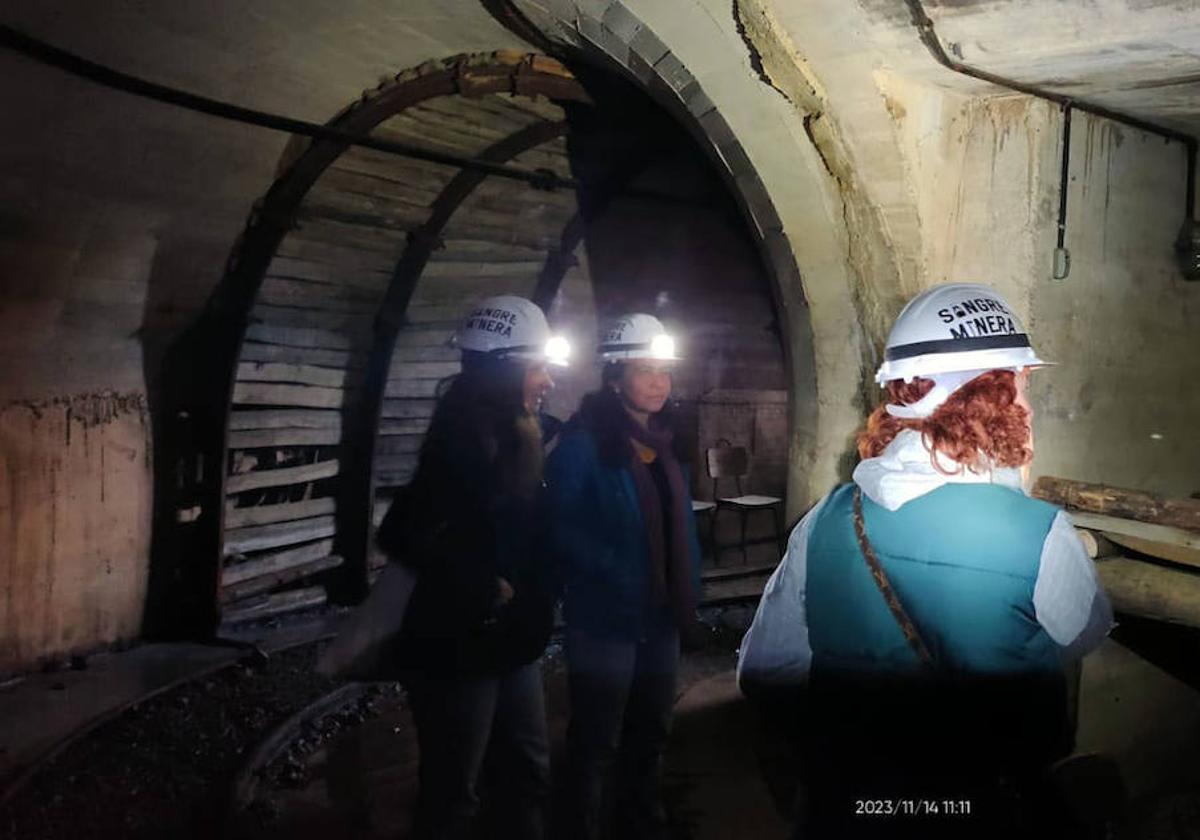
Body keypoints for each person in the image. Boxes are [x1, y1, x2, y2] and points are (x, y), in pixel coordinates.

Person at [737, 283, 1113, 838]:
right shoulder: (1039, 533)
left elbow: (765, 670)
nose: (1029, 409)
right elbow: (1085, 632)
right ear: (983, 401)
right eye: (1019, 388)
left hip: (844, 808)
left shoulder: (825, 519)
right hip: (978, 810)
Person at [375, 294, 570, 840]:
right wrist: (483, 584)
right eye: (538, 367)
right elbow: (400, 533)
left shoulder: (523, 438)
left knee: (529, 771)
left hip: (509, 644)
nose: (547, 380)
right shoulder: (461, 444)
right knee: (455, 790)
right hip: (457, 650)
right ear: (505, 372)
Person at [546, 313, 704, 840]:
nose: (660, 382)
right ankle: (582, 827)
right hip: (606, 619)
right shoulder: (582, 446)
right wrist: (613, 573)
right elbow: (558, 527)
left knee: (651, 729)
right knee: (597, 738)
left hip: (658, 617)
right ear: (615, 378)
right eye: (645, 370)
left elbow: (679, 527)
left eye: (665, 370)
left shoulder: (662, 443)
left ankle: (640, 819)